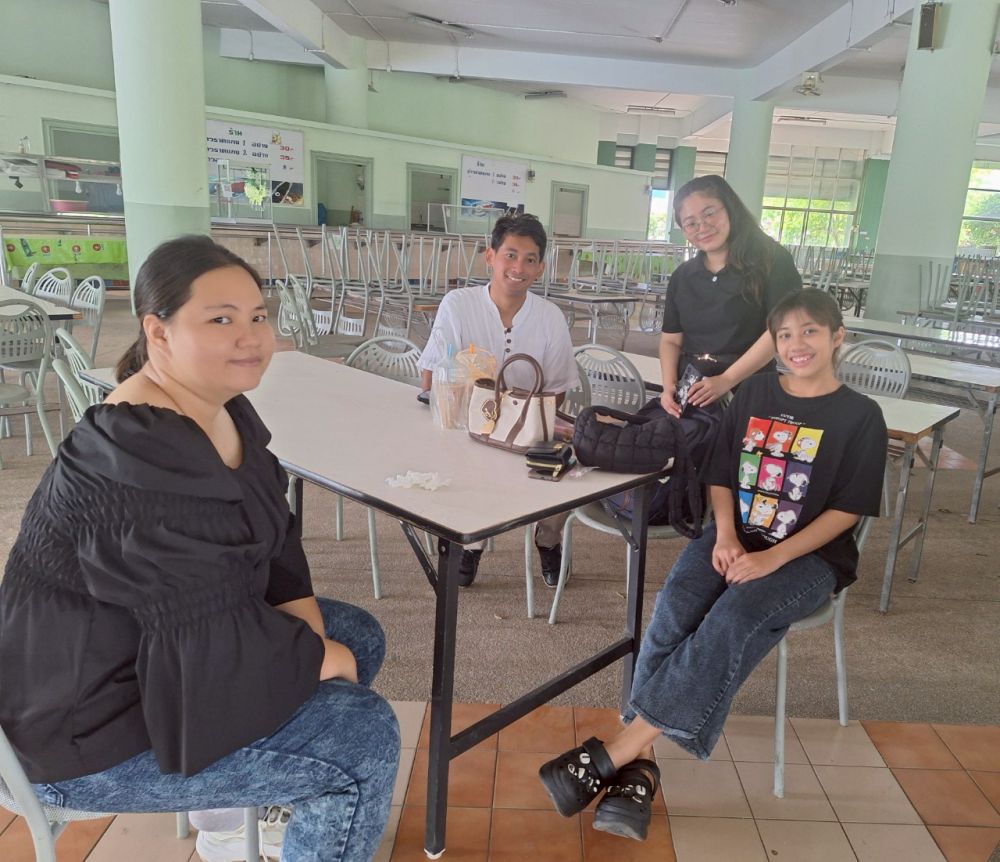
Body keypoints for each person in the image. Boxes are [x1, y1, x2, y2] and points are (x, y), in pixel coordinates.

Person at [0, 236, 400, 862]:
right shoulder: (136, 453)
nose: (251, 337)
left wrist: (320, 649)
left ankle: (257, 802)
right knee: (362, 737)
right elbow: (206, 633)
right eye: (220, 320)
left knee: (358, 636)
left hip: (150, 662)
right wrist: (320, 660)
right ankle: (269, 802)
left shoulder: (224, 412)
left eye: (258, 317)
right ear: (158, 332)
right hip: (82, 732)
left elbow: (278, 552)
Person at [538, 288, 887, 842]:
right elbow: (721, 472)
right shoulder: (756, 392)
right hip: (733, 534)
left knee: (734, 616)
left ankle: (619, 752)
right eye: (785, 335)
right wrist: (724, 534)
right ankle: (637, 771)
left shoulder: (860, 416)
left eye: (810, 332)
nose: (797, 345)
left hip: (810, 558)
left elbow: (848, 510)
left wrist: (772, 557)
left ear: (837, 336)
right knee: (676, 604)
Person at [417, 213, 578, 588]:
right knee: (467, 462)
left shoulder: (550, 317)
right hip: (467, 426)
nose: (518, 268)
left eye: (530, 259)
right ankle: (471, 542)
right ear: (490, 256)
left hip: (528, 428)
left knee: (562, 464)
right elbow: (433, 375)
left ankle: (548, 539)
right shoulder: (459, 305)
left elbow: (557, 388)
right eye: (510, 255)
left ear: (540, 268)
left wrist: (522, 424)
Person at [659, 174, 802, 418]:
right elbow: (671, 340)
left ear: (730, 209)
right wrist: (668, 386)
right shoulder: (683, 276)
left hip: (750, 387)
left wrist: (726, 380)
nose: (702, 227)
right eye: (691, 223)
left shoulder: (772, 261)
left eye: (709, 213)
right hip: (692, 390)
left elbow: (779, 331)